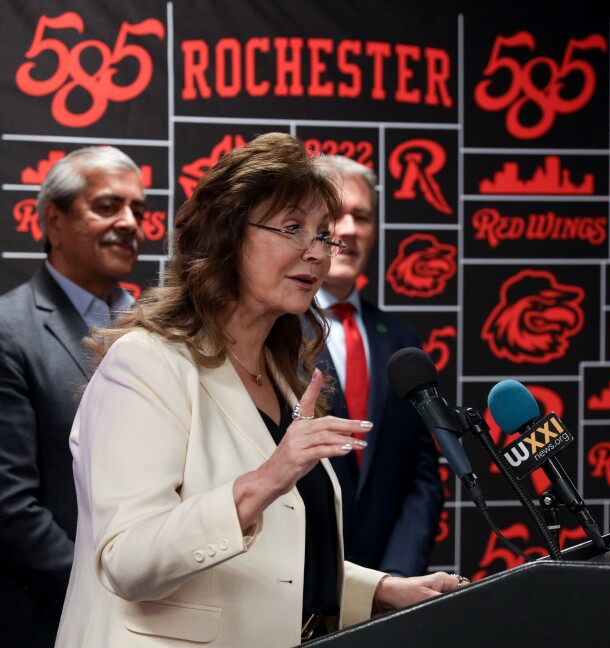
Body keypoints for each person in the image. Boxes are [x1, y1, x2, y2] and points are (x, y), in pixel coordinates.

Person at [54, 133, 463, 647]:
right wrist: (268, 478)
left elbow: (276, 559)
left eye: (323, 234)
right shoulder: (145, 362)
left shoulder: (280, 374)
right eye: (292, 228)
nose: (317, 252)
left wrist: (380, 590)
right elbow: (127, 560)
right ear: (226, 236)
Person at [0, 145, 145, 647]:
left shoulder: (161, 329)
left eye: (137, 209)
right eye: (107, 206)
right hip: (56, 619)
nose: (130, 223)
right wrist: (105, 597)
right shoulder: (9, 331)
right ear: (54, 222)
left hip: (161, 606)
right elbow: (10, 509)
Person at [317, 155, 443, 576]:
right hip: (294, 586)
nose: (349, 229)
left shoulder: (402, 341)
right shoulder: (271, 333)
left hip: (389, 589)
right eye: (336, 214)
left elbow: (422, 477)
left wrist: (395, 580)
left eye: (362, 216)